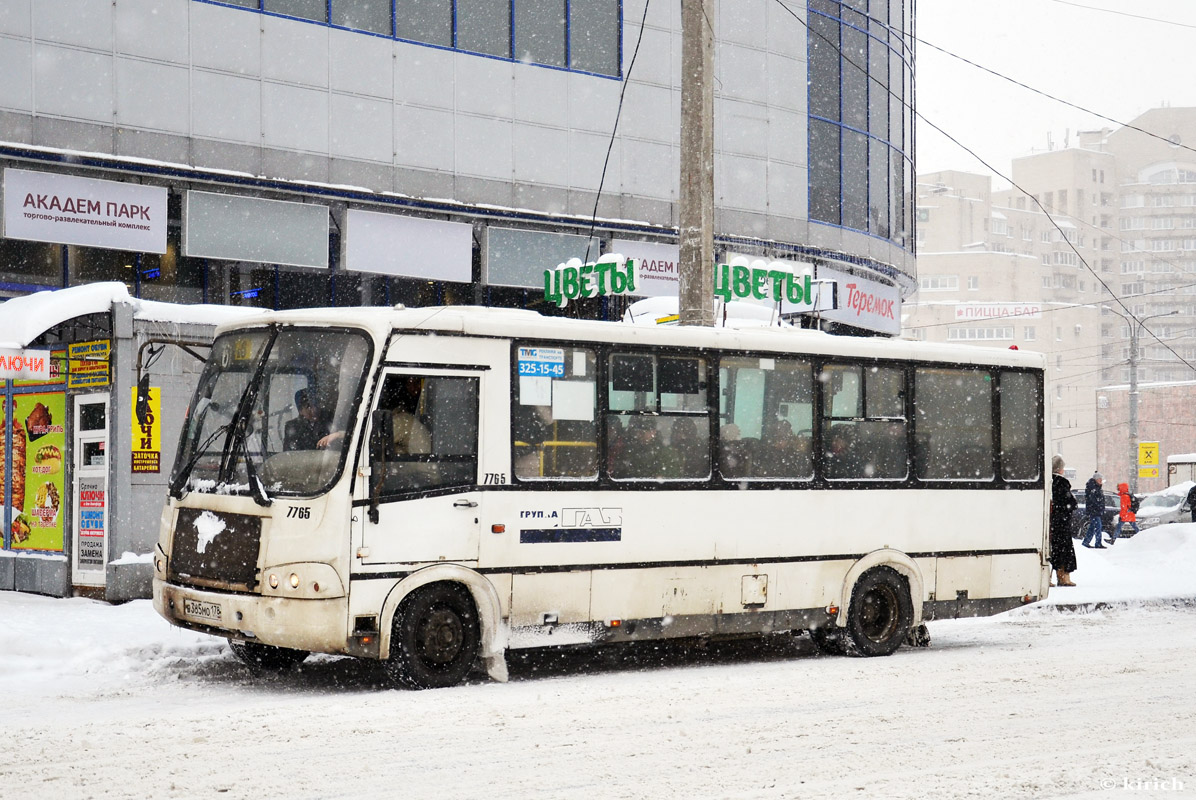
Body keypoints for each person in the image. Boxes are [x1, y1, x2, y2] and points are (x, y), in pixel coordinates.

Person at [1049, 455, 1078, 586]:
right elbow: (1070, 502)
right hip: (1062, 522)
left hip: (1052, 521)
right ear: (1059, 469)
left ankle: (1048, 578)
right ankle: (1063, 577)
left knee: (1052, 549)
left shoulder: (1048, 482)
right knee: (1064, 550)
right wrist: (1071, 505)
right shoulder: (1062, 483)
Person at [1081, 471, 1107, 549]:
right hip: (1094, 511)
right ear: (1096, 479)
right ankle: (1098, 543)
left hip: (1096, 511)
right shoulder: (1093, 488)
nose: (1101, 481)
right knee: (1098, 527)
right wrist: (1098, 506)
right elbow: (1093, 500)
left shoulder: (1096, 487)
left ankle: (1086, 542)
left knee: (1092, 527)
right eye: (1100, 479)